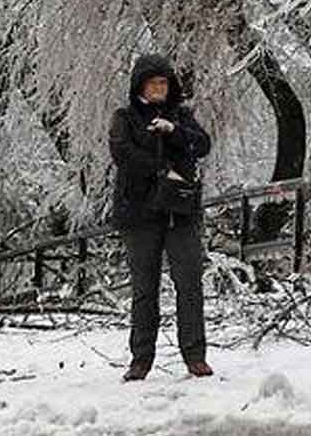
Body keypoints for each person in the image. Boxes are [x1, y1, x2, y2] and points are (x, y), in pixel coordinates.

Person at [109, 54, 214, 381]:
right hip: (140, 212)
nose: (160, 88)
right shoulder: (125, 117)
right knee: (144, 288)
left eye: (164, 82)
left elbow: (203, 144)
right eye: (154, 82)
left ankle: (195, 355)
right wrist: (162, 171)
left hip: (180, 212)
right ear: (140, 84)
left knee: (189, 282)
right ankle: (141, 358)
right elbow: (122, 153)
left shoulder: (181, 116)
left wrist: (174, 132)